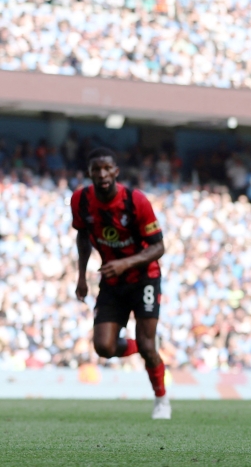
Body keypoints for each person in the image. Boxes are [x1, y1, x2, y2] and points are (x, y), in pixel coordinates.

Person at [72, 148, 171, 420]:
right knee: (103, 347)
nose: (102, 174)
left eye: (107, 168)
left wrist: (126, 263)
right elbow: (82, 237)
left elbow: (159, 247)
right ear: (90, 173)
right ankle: (141, 343)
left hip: (144, 278)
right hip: (112, 280)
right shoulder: (81, 201)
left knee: (149, 348)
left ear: (116, 171)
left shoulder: (135, 201)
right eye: (96, 169)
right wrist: (81, 276)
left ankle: (161, 400)